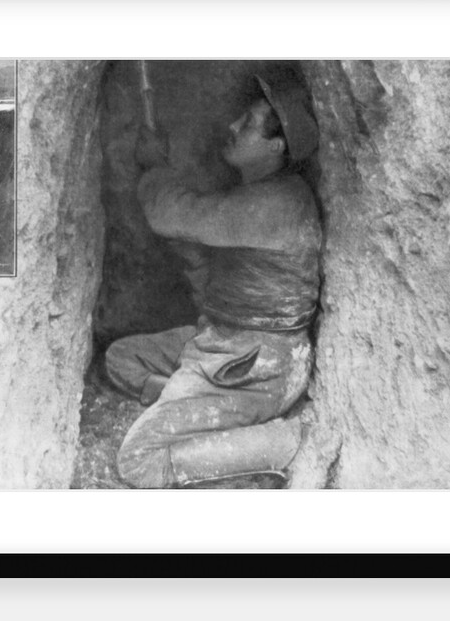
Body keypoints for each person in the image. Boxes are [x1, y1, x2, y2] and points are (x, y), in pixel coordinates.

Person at [105, 76, 322, 488]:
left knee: (139, 460)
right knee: (121, 358)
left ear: (276, 147)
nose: (233, 126)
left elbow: (170, 214)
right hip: (223, 343)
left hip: (259, 367)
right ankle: (189, 404)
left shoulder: (278, 203)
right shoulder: (259, 195)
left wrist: (154, 167)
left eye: (249, 124)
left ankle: (284, 442)